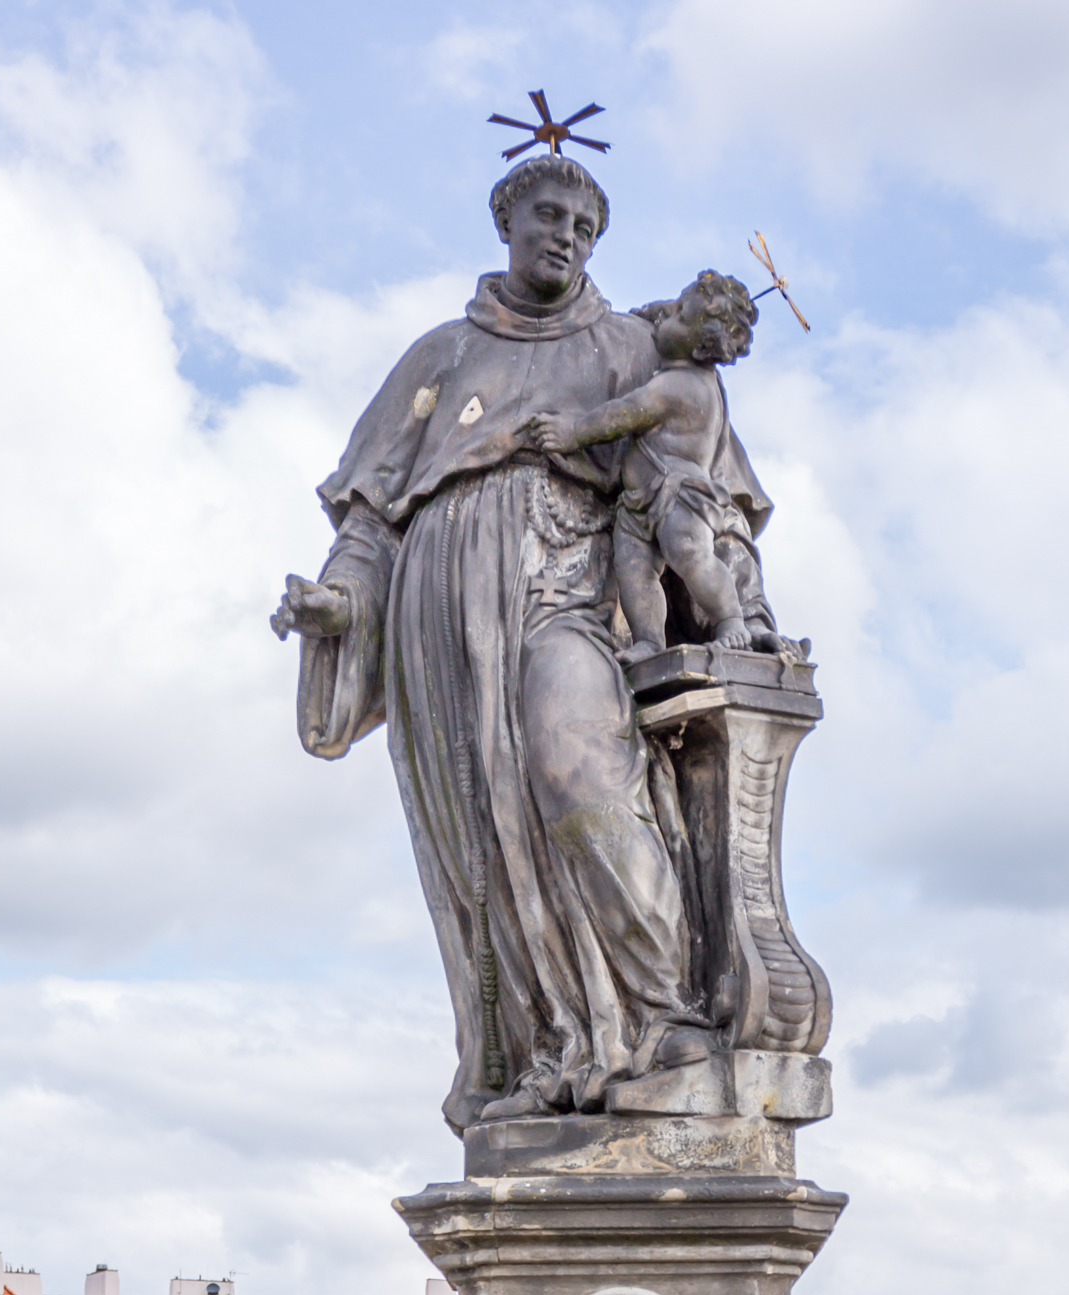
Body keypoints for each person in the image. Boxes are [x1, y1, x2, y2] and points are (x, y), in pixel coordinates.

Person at [273, 159, 781, 1132]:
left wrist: (736, 603)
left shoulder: (636, 346)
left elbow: (709, 489)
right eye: (550, 215)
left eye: (585, 226)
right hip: (442, 625)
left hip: (571, 590)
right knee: (486, 844)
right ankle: (546, 1058)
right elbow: (370, 520)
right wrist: (338, 602)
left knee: (579, 774)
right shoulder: (440, 356)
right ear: (506, 219)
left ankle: (660, 1023)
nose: (566, 237)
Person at [522, 271, 760, 662]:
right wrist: (652, 315)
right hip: (639, 501)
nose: (666, 312)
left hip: (681, 498)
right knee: (634, 569)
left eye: (678, 313)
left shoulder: (682, 385)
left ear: (701, 347)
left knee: (692, 558)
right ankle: (649, 640)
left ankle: (731, 619)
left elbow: (622, 414)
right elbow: (663, 317)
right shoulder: (684, 364)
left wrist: (571, 432)